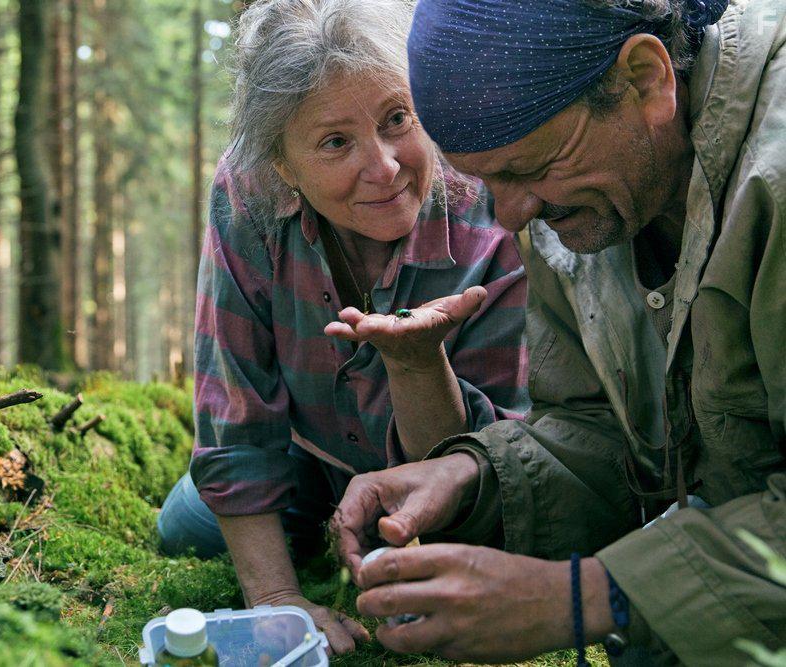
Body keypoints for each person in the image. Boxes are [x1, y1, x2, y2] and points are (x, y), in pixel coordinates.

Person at [332, 0, 786, 664]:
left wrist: (586, 598)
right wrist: (473, 475)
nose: (514, 214)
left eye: (527, 168)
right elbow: (602, 430)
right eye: (487, 181)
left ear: (645, 79)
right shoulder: (588, 201)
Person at [155, 0, 530, 656]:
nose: (384, 166)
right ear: (283, 168)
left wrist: (418, 365)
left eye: (397, 119)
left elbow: (500, 460)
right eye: (336, 142)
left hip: (450, 483)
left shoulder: (491, 205)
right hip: (307, 459)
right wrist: (275, 600)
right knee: (187, 525)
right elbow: (235, 410)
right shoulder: (246, 195)